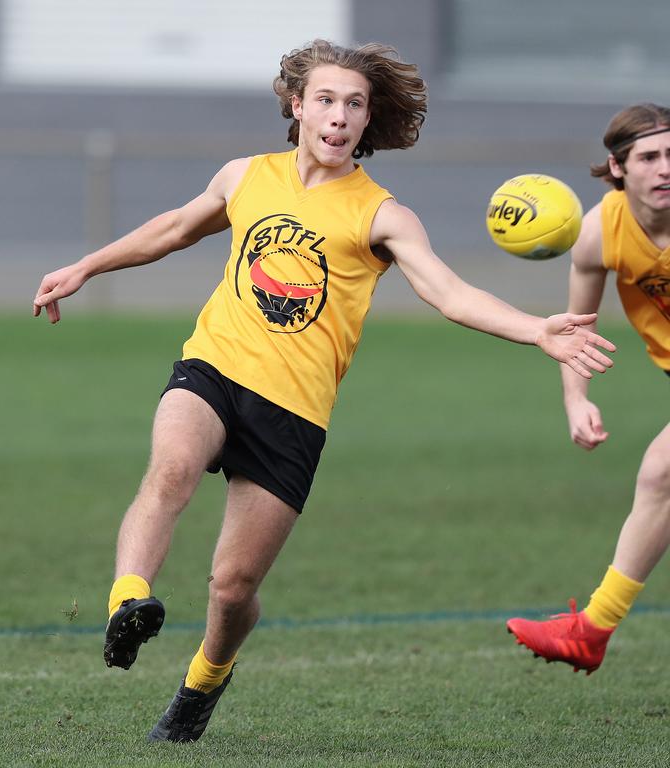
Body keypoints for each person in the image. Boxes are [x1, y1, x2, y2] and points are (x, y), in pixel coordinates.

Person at [33, 39, 615, 742]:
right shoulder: (246, 176)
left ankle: (203, 683)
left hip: (294, 412)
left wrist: (537, 330)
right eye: (328, 101)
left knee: (233, 588)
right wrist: (86, 266)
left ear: (368, 122)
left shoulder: (382, 215)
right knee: (172, 470)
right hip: (214, 367)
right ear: (297, 105)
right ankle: (130, 601)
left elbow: (451, 294)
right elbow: (175, 229)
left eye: (356, 105)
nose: (340, 117)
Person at [507, 103, 670, 675]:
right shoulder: (599, 232)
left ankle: (591, 631)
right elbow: (576, 330)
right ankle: (592, 633)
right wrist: (576, 400)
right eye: (650, 157)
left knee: (661, 472)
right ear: (618, 166)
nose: (665, 168)